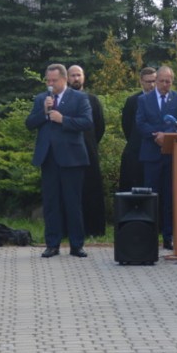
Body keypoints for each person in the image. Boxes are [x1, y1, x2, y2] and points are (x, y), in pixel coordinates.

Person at [26, 63, 93, 258]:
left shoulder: (79, 98)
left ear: (64, 79)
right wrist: (44, 112)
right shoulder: (41, 99)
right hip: (49, 158)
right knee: (51, 203)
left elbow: (87, 122)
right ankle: (52, 244)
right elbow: (29, 123)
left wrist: (63, 119)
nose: (50, 84)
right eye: (48, 80)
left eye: (54, 80)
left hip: (72, 158)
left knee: (73, 203)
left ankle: (76, 245)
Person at [136, 65, 177, 250]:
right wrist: (156, 135)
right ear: (156, 80)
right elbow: (140, 123)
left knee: (169, 197)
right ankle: (149, 236)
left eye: (168, 81)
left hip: (171, 156)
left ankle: (168, 236)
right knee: (150, 197)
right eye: (162, 81)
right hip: (151, 155)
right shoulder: (144, 100)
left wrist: (167, 136)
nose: (165, 84)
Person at [68, 65, 107, 237]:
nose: (76, 78)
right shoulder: (62, 100)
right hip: (68, 152)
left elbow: (100, 126)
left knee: (92, 190)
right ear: (67, 78)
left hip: (89, 151)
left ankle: (94, 230)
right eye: (73, 75)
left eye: (79, 75)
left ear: (84, 77)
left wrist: (90, 142)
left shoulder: (93, 100)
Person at [119, 68, 155, 193]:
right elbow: (127, 125)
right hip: (136, 150)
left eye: (154, 81)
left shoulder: (162, 100)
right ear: (141, 81)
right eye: (148, 82)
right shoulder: (132, 101)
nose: (152, 85)